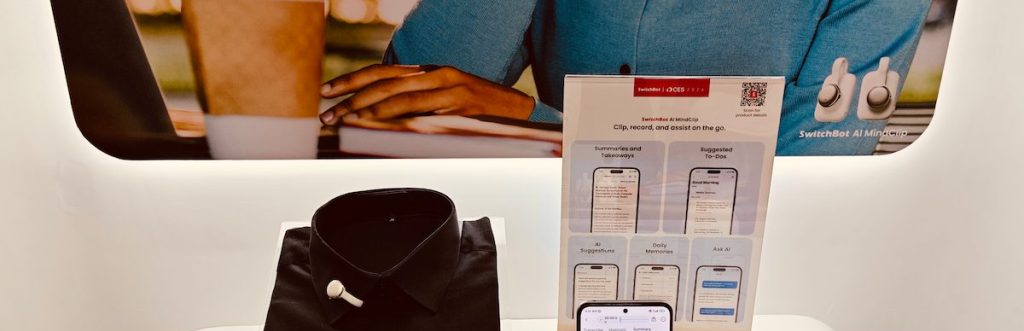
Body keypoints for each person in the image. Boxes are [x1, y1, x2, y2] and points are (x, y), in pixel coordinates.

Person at [319, 0, 931, 155]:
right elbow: (406, 107)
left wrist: (535, 125)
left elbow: (809, 181)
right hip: (533, 263)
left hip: (750, 304)